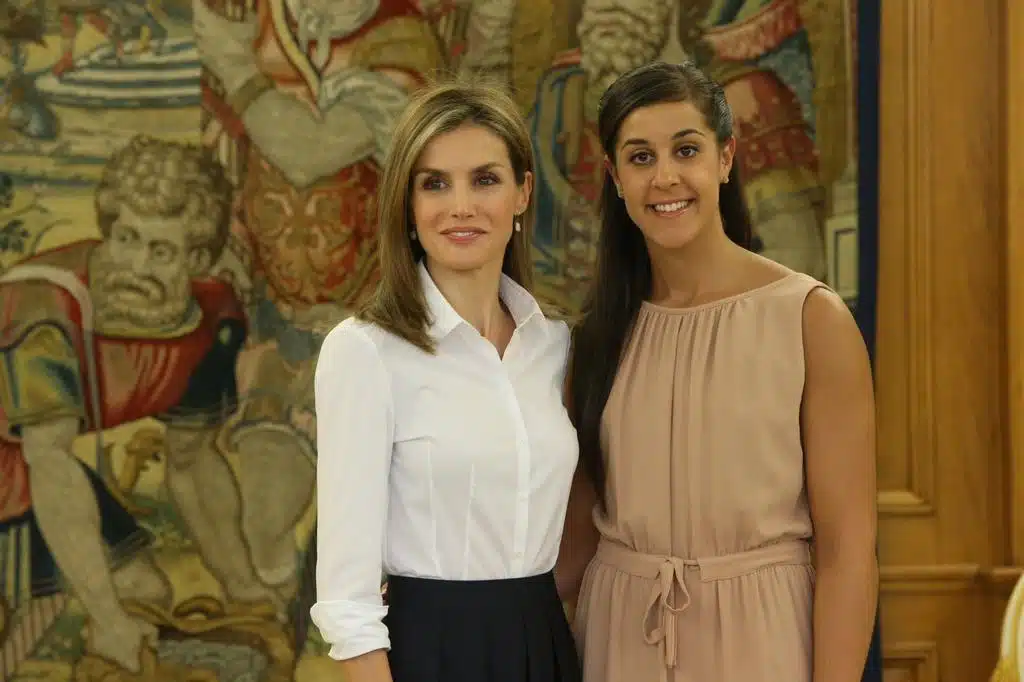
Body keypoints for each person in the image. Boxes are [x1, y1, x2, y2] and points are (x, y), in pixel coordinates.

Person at [556, 61, 878, 682]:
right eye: (641, 157)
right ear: (615, 178)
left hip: (764, 639)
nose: (665, 177)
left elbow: (847, 551)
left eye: (686, 150)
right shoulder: (596, 339)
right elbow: (574, 541)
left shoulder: (811, 320)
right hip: (618, 641)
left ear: (725, 157)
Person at [309, 80, 582, 682]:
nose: (461, 206)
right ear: (407, 204)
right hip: (428, 652)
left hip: (545, 644)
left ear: (522, 192)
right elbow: (347, 599)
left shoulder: (556, 347)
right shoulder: (364, 352)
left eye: (484, 179)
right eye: (435, 183)